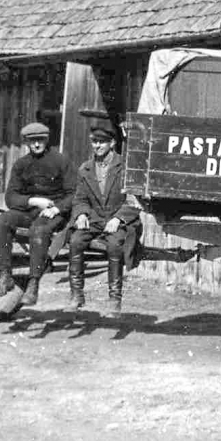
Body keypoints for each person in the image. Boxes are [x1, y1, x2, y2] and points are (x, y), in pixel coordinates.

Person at [0, 122, 76, 302]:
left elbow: (74, 193)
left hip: (55, 212)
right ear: (26, 143)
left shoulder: (61, 161)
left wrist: (57, 209)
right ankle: (5, 276)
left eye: (40, 140)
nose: (36, 145)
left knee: (39, 230)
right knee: (0, 222)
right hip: (29, 210)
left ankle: (33, 283)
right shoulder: (22, 164)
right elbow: (11, 197)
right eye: (32, 141)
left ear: (46, 140)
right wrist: (32, 201)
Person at [67, 124, 142, 316]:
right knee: (75, 241)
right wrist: (82, 213)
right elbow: (80, 198)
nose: (97, 146)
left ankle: (114, 300)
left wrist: (118, 218)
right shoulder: (85, 168)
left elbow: (134, 200)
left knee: (115, 245)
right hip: (95, 219)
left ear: (112, 143)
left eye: (101, 142)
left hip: (120, 219)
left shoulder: (126, 166)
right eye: (94, 141)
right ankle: (77, 295)